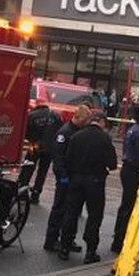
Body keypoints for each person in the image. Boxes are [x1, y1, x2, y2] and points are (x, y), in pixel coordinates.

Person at [59, 113, 118, 263]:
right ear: (102, 122)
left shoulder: (77, 136)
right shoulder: (104, 138)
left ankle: (65, 247)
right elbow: (112, 163)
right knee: (94, 216)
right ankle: (90, 251)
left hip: (76, 179)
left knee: (71, 213)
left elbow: (67, 158)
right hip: (95, 181)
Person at [43, 104, 91, 253]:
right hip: (65, 176)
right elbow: (58, 157)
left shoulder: (77, 131)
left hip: (74, 176)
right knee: (59, 208)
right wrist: (62, 176)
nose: (87, 124)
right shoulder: (65, 133)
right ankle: (51, 240)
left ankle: (67, 239)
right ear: (78, 117)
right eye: (85, 120)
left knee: (71, 211)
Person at [111, 105, 139, 254]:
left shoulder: (132, 130)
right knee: (130, 205)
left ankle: (119, 236)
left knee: (126, 204)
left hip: (128, 169)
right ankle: (122, 238)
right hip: (135, 171)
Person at [18, 99, 63, 204]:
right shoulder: (55, 116)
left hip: (34, 147)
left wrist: (32, 140)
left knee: (28, 168)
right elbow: (60, 131)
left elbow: (25, 132)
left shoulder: (32, 115)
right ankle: (36, 194)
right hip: (50, 148)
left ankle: (22, 193)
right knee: (42, 172)